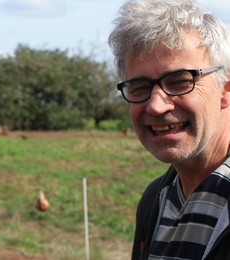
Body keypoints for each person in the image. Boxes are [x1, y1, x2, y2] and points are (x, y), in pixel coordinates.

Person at [108, 0, 230, 259]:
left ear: (225, 90)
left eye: (179, 81)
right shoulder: (155, 199)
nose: (155, 105)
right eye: (139, 87)